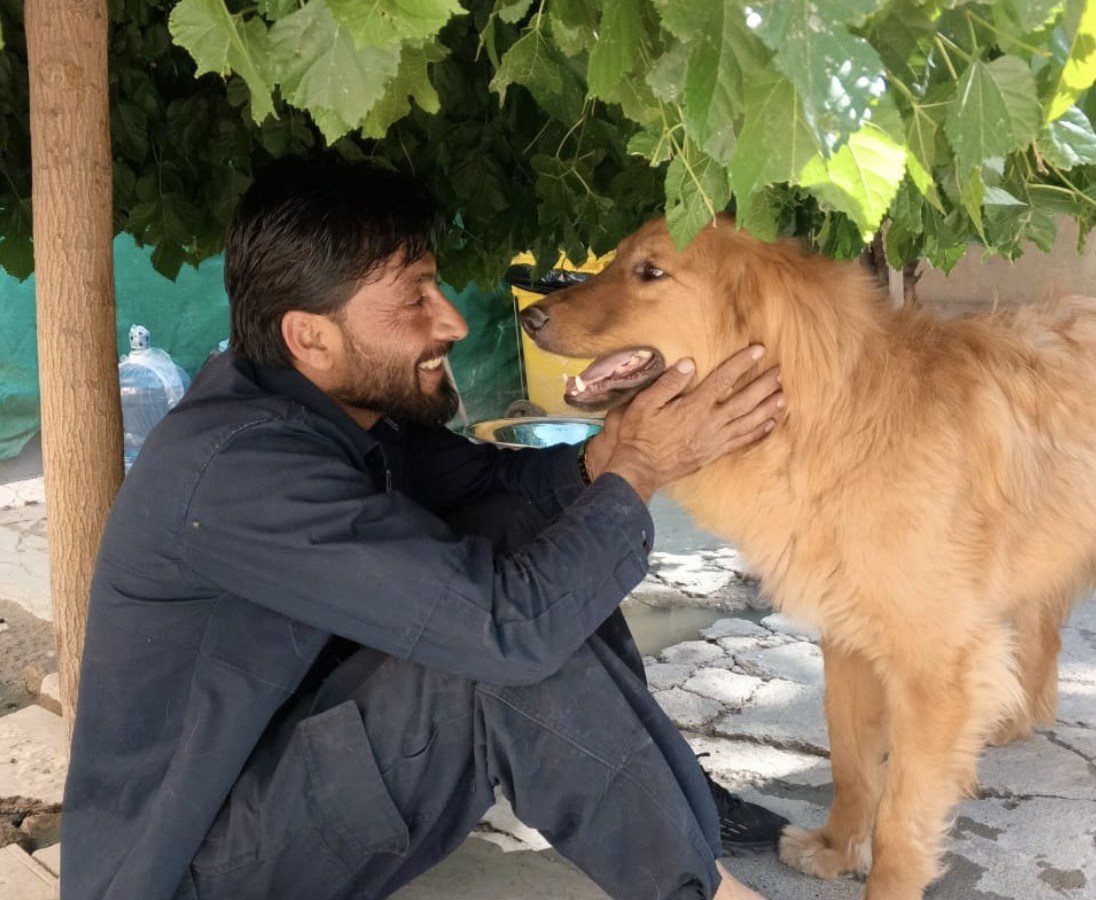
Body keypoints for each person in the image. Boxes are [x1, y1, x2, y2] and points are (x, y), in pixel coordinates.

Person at [60, 160, 788, 900]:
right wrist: (639, 470)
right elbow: (505, 631)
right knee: (490, 660)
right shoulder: (239, 470)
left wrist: (610, 454)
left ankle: (675, 817)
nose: (453, 322)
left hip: (273, 777)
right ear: (310, 337)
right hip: (180, 868)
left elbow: (496, 492)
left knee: (522, 538)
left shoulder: (337, 415)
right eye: (415, 298)